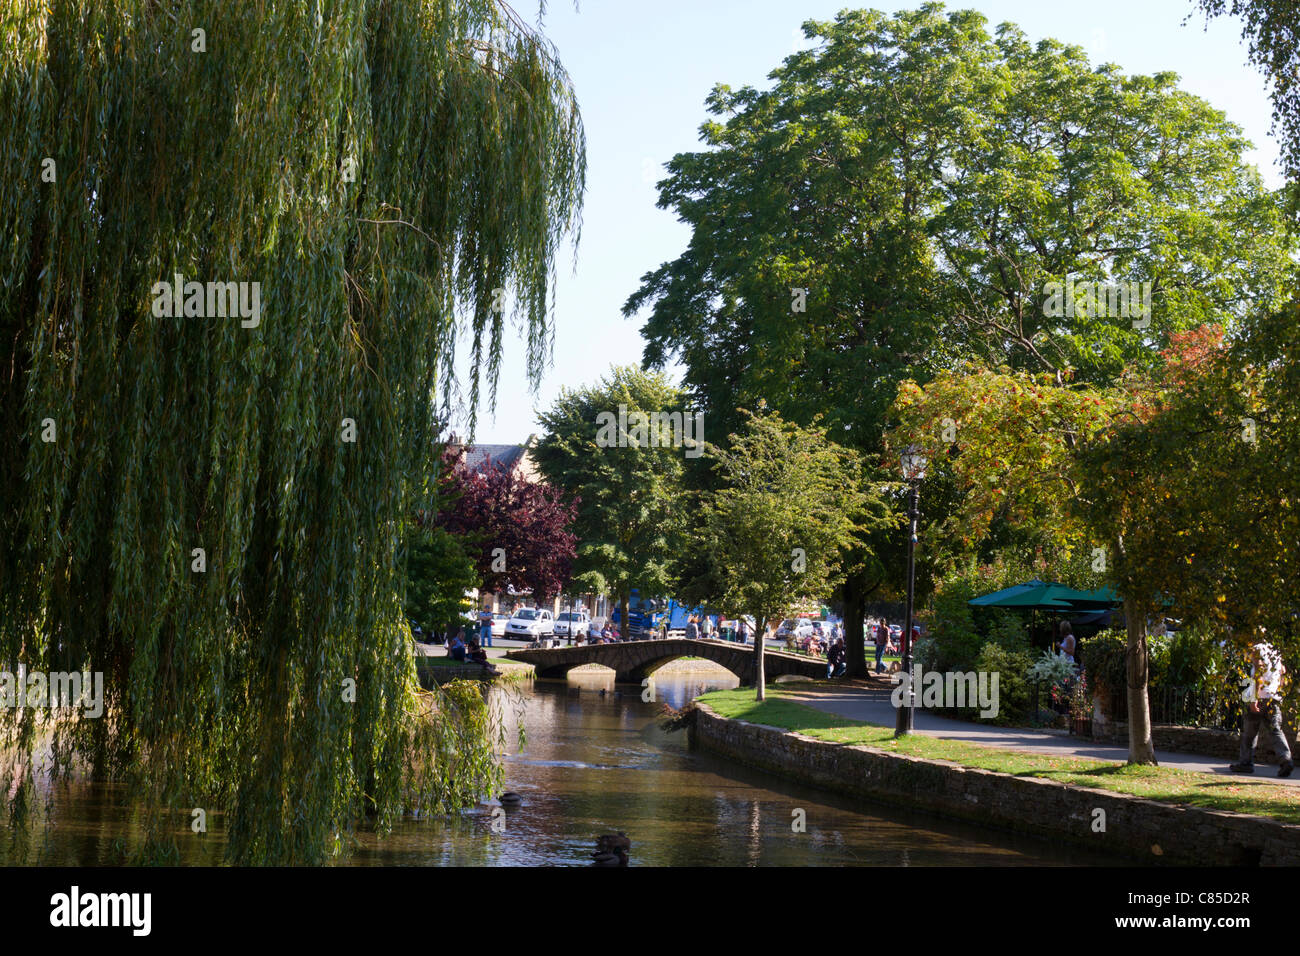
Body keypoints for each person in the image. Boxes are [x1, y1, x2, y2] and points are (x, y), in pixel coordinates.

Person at [1231, 635, 1294, 776]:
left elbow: (1257, 674)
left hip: (1260, 697)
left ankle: (1245, 763)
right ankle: (1286, 760)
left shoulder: (1258, 649)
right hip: (1273, 697)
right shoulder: (1275, 651)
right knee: (1275, 730)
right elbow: (1283, 671)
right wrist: (1278, 689)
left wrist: (1253, 700)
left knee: (1249, 733)